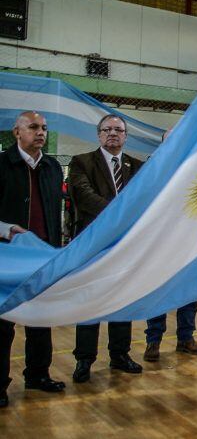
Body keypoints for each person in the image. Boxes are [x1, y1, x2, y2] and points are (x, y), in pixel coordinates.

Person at [68, 114, 144, 383]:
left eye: (118, 130)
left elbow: (144, 199)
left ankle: (120, 354)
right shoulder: (81, 162)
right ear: (98, 134)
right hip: (92, 244)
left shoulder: (137, 166)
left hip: (124, 246)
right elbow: (82, 195)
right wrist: (119, 214)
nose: (113, 133)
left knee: (120, 300)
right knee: (89, 302)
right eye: (107, 129)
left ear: (125, 136)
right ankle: (84, 359)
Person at [0, 111, 66, 408]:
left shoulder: (52, 167)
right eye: (34, 127)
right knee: (3, 326)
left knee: (41, 319)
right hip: (7, 260)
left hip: (43, 259)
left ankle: (38, 374)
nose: (41, 132)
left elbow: (55, 212)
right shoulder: (2, 164)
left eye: (44, 128)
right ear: (17, 132)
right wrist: (6, 230)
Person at [143, 128, 197, 362]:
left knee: (189, 293)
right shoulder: (151, 170)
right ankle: (153, 341)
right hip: (159, 243)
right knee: (157, 293)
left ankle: (186, 338)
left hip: (188, 242)